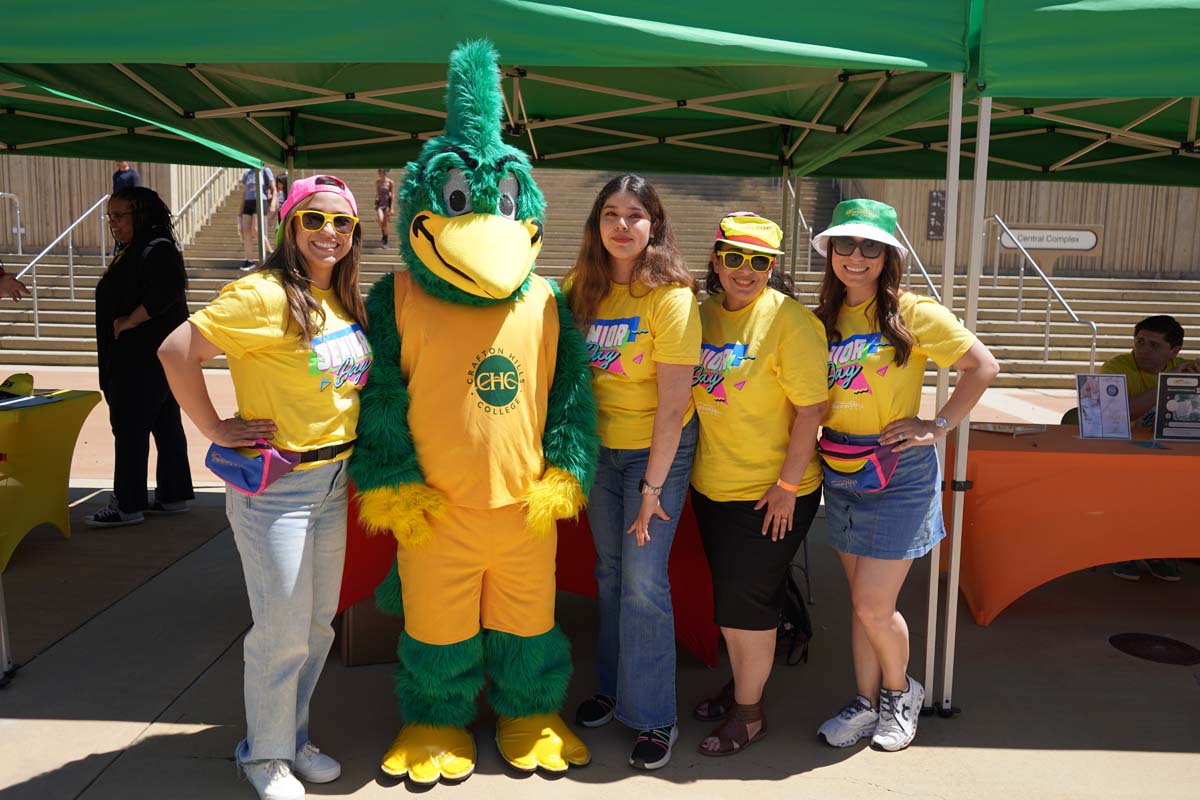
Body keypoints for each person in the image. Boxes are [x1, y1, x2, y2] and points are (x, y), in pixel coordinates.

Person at [159, 174, 372, 800]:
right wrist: (215, 428)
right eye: (314, 220)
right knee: (279, 632)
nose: (328, 232)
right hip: (278, 488)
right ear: (289, 225)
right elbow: (176, 351)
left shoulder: (339, 299)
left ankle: (290, 738)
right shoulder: (262, 295)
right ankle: (264, 756)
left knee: (317, 629)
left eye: (341, 222)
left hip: (334, 480)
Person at [812, 199, 998, 752]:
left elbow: (982, 366)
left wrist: (937, 424)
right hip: (841, 471)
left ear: (889, 256)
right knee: (861, 603)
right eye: (845, 244)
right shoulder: (821, 320)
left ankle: (901, 693)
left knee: (874, 603)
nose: (857, 257)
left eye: (871, 247)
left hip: (900, 472)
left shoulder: (914, 314)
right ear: (831, 253)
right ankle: (866, 703)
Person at [565, 173, 701, 771]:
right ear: (598, 225)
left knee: (645, 580)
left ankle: (654, 717)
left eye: (635, 215)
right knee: (611, 572)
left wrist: (652, 489)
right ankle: (615, 689)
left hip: (657, 451)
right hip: (601, 450)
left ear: (655, 226)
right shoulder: (580, 289)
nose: (623, 225)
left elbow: (674, 406)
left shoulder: (671, 297)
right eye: (611, 214)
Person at [688, 213, 828, 756]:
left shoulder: (790, 322)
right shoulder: (701, 315)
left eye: (760, 262)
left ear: (773, 267)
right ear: (717, 258)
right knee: (733, 602)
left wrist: (788, 486)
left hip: (772, 491)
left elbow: (810, 410)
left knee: (747, 606)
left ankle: (749, 716)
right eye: (734, 257)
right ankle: (744, 685)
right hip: (712, 486)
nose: (745, 271)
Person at [84, 187, 193, 528]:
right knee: (164, 423)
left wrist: (129, 320)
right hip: (152, 360)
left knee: (131, 429)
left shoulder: (155, 249)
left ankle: (127, 504)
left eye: (119, 216)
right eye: (109, 216)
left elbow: (168, 290)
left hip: (140, 360)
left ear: (141, 216)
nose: (112, 223)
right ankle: (173, 494)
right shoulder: (139, 248)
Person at [1101, 315, 1199, 582]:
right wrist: (1167, 383)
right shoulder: (1115, 368)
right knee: (1138, 484)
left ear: (1174, 351)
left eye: (1154, 345)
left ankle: (1161, 550)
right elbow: (1118, 414)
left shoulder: (1187, 369)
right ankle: (1125, 550)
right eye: (1140, 342)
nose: (1143, 350)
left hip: (1170, 456)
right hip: (1121, 453)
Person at [238, 165, 275, 270]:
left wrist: (273, 204)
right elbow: (245, 192)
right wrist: (240, 211)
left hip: (260, 200)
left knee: (255, 230)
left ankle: (270, 251)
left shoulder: (265, 170)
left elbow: (274, 189)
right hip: (248, 202)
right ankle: (249, 260)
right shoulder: (247, 172)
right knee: (246, 231)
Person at [374, 168, 395, 247]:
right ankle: (384, 235)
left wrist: (392, 208)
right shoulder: (378, 182)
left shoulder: (390, 182)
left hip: (387, 205)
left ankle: (385, 239)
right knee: (380, 220)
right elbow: (377, 193)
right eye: (379, 171)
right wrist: (376, 201)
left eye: (381, 171)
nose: (379, 172)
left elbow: (392, 195)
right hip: (380, 204)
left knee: (385, 224)